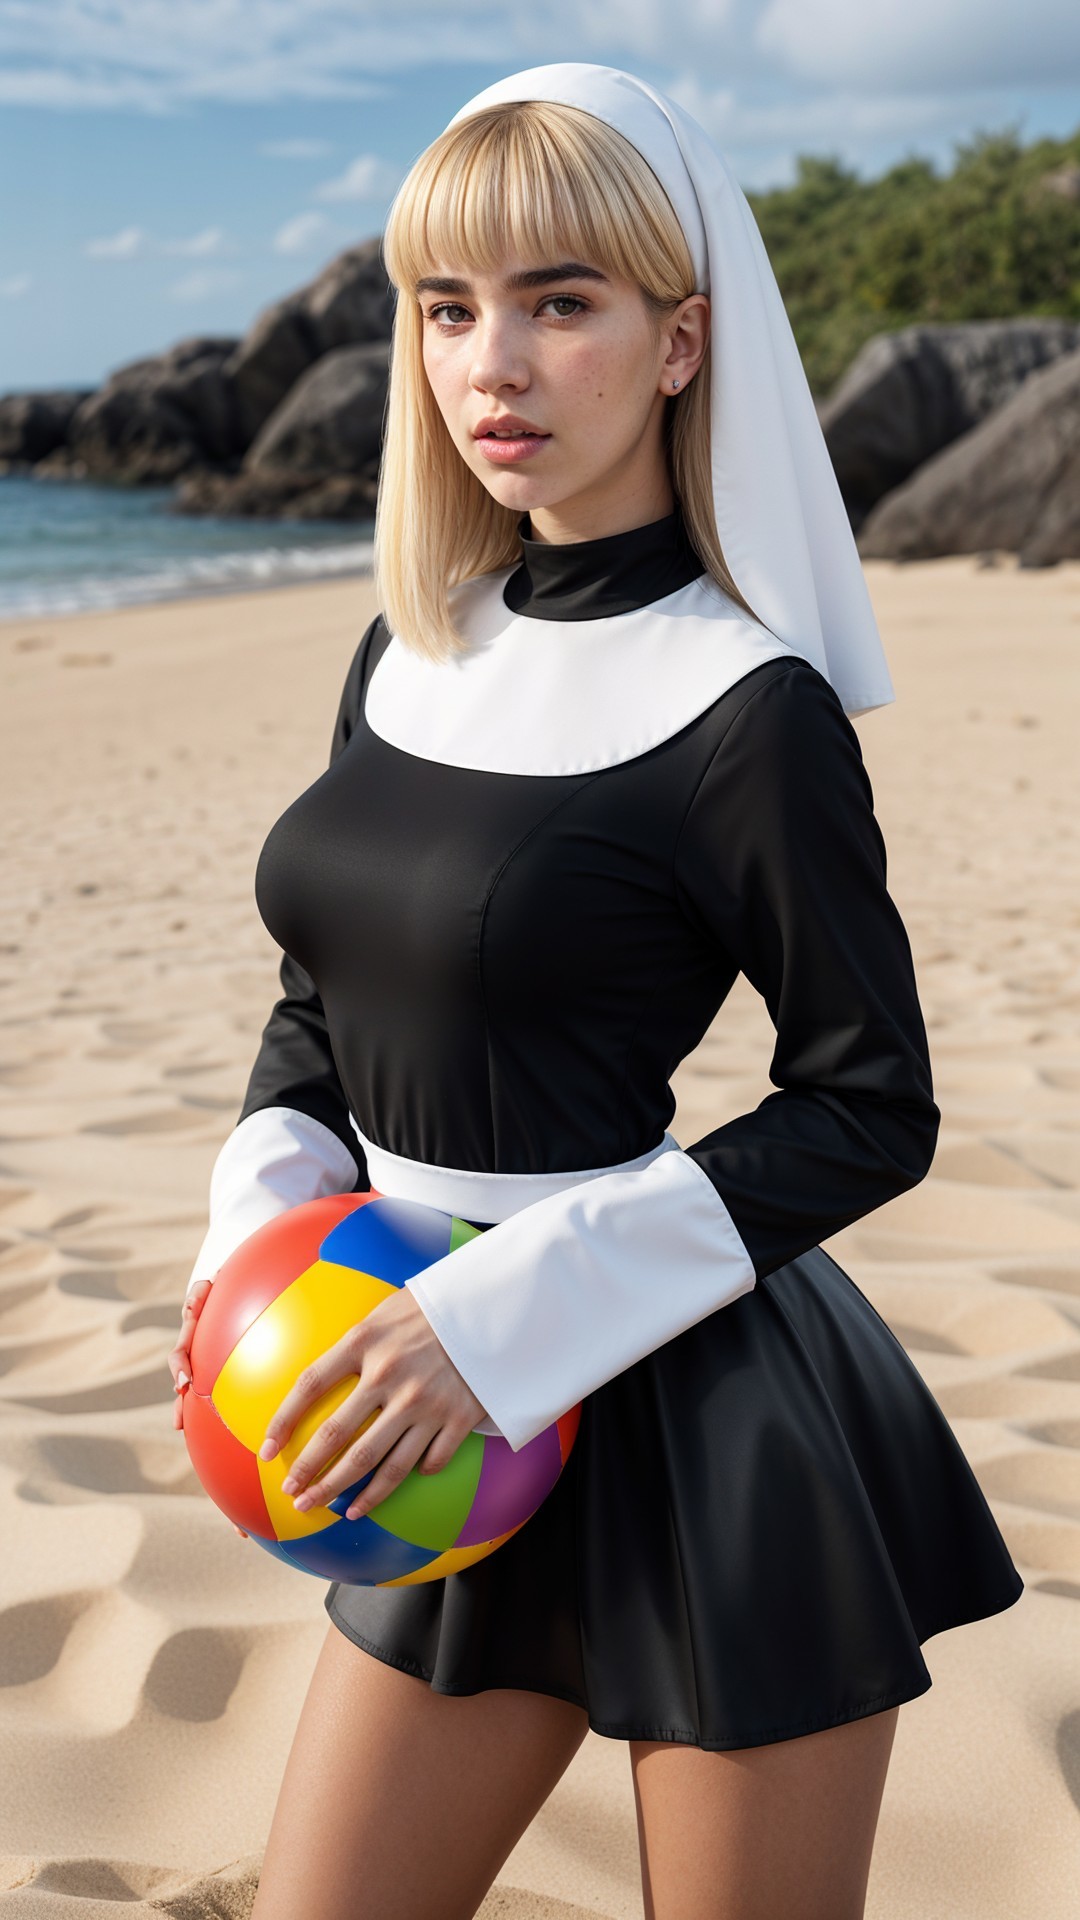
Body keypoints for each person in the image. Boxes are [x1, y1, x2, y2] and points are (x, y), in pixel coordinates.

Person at [168, 62, 1024, 1920]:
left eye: (560, 304)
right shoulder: (410, 648)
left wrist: (507, 1318)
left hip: (706, 1433)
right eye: (447, 309)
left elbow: (870, 1103)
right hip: (414, 1397)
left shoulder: (749, 710)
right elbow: (323, 999)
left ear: (679, 342)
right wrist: (261, 1222)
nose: (492, 366)